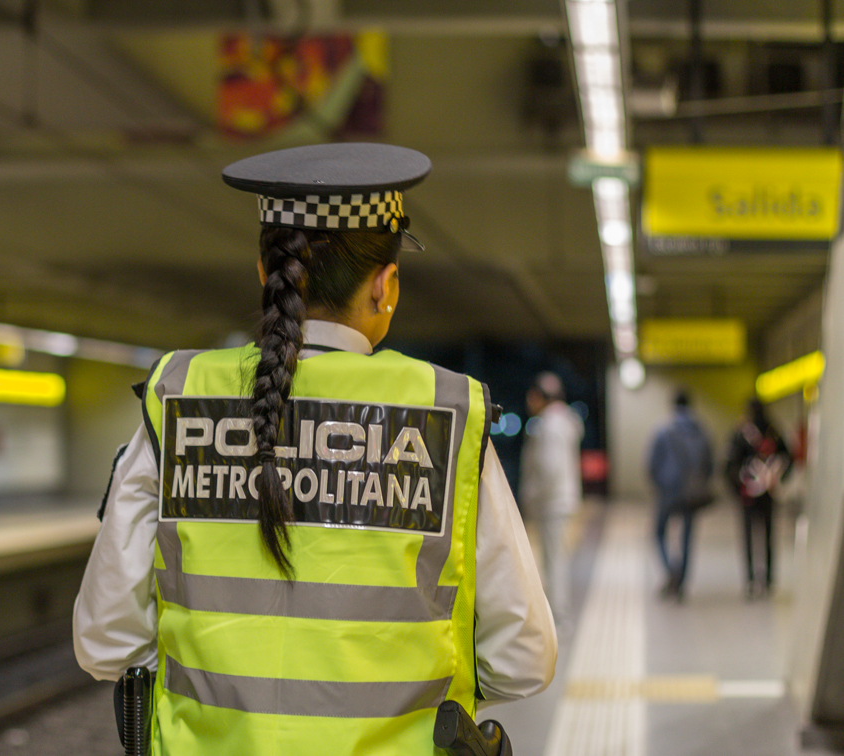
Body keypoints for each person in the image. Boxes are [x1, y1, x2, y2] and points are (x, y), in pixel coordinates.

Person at [72, 142, 557, 754]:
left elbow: (106, 641)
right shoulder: (446, 413)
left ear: (263, 277)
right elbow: (523, 659)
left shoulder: (179, 396)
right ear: (386, 287)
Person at [519, 371, 584, 624]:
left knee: (553, 561)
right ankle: (557, 612)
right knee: (556, 559)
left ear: (539, 397)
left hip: (551, 504)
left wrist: (531, 497)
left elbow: (549, 469)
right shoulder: (566, 421)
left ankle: (557, 615)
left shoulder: (549, 424)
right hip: (561, 501)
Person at [646, 389, 714, 601]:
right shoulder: (701, 431)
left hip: (668, 490)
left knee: (659, 532)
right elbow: (710, 464)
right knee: (687, 537)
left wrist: (660, 484)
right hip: (691, 492)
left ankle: (670, 572)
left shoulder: (663, 430)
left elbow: (651, 464)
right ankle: (681, 581)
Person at [726, 397, 790, 600]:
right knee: (769, 536)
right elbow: (788, 456)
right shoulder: (774, 430)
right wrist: (778, 480)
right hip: (769, 494)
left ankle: (751, 579)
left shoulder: (741, 433)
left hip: (748, 495)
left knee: (749, 536)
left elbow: (729, 465)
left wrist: (738, 488)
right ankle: (769, 579)